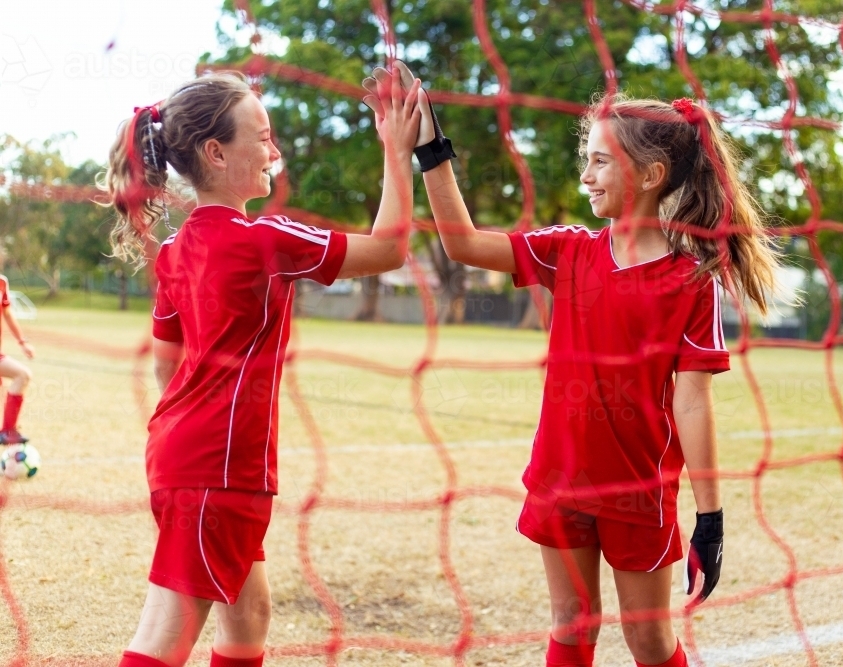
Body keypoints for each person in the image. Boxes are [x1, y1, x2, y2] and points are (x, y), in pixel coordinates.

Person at [365, 68, 779, 667]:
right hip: (561, 481)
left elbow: (692, 403)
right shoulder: (570, 250)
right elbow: (462, 243)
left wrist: (710, 519)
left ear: (651, 175)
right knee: (571, 622)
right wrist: (431, 148)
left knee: (650, 641)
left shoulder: (690, 282)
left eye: (600, 162)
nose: (585, 175)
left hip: (639, 492)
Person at [100, 67, 422, 667]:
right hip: (216, 470)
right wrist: (396, 151)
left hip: (188, 457)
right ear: (217, 153)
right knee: (164, 634)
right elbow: (391, 248)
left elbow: (166, 374)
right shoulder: (262, 240)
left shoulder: (173, 252)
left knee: (248, 619)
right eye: (264, 135)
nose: (274, 150)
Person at [0, 271, 34, 445]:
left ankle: (7, 431)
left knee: (23, 375)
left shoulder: (1, 283)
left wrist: (22, 342)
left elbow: (7, 313)